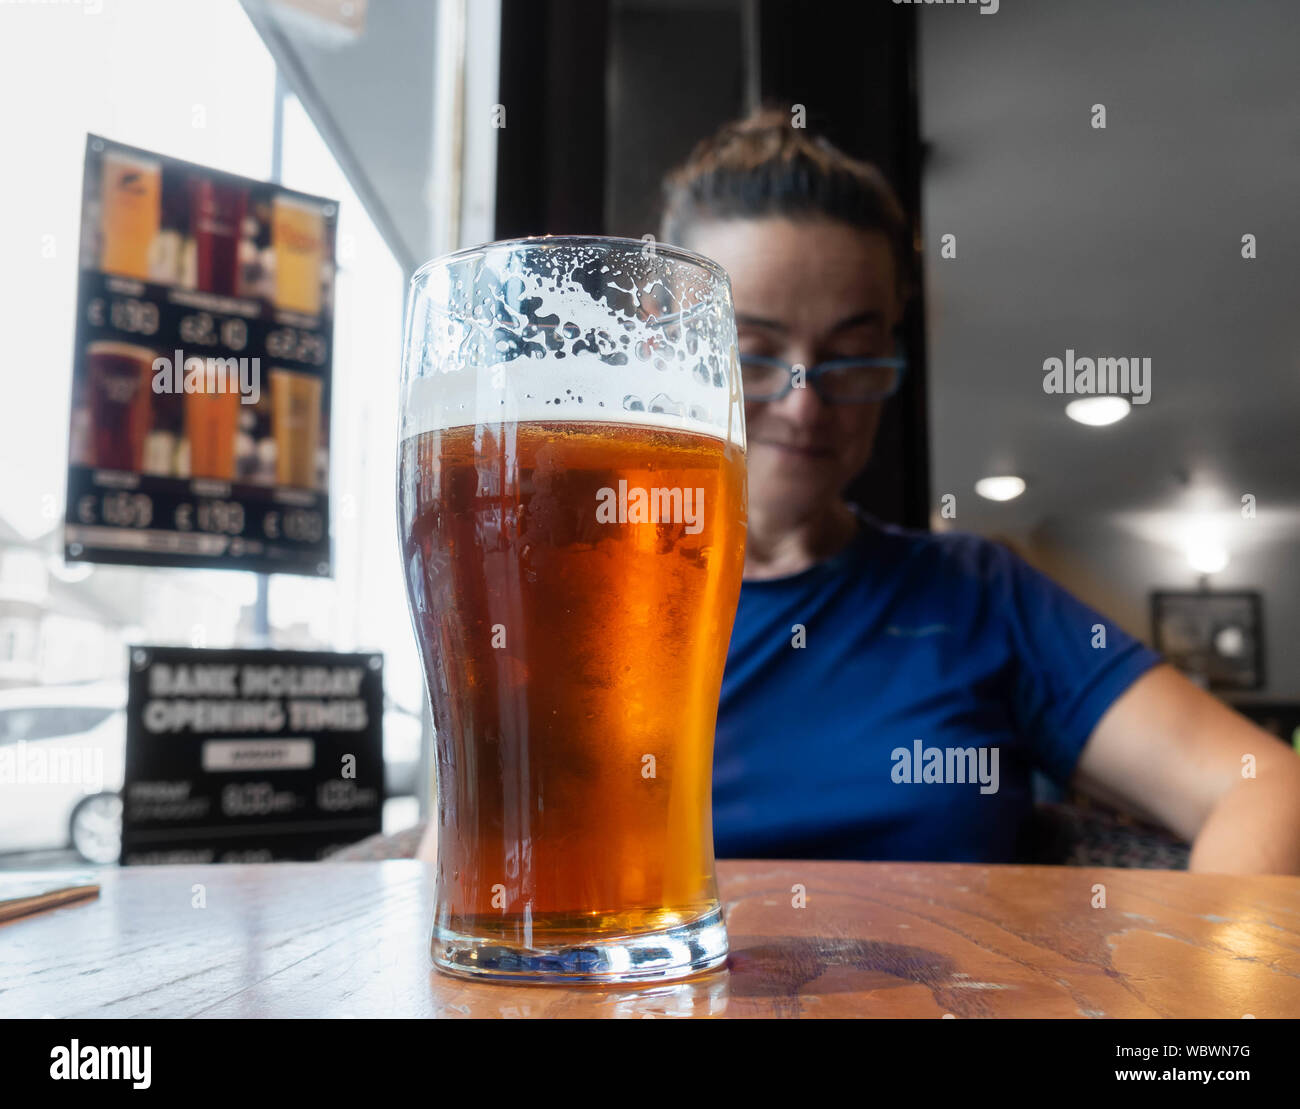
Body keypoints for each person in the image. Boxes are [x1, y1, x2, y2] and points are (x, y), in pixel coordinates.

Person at [384, 110, 1300, 874]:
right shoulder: (561, 600)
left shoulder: (974, 591)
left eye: (852, 353)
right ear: (664, 351)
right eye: (753, 349)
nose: (806, 397)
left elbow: (1266, 784)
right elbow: (474, 863)